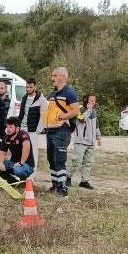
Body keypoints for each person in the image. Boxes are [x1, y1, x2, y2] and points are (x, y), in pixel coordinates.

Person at [42, 67, 80, 197]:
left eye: (54, 75)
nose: (52, 78)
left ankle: (62, 188)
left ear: (63, 77)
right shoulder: (53, 94)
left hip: (61, 131)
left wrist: (62, 117)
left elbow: (76, 111)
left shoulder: (70, 92)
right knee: (51, 159)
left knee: (59, 159)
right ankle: (55, 185)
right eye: (52, 75)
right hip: (50, 130)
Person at [66, 93, 102, 189]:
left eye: (94, 100)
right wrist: (89, 110)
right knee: (76, 161)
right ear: (86, 100)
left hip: (91, 142)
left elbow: (96, 126)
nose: (93, 102)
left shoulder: (93, 111)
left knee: (88, 162)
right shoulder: (80, 109)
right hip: (80, 141)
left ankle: (84, 181)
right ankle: (67, 178)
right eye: (91, 100)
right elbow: (81, 119)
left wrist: (98, 138)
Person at [17, 78, 46, 178]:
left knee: (33, 153)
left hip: (33, 131)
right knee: (21, 151)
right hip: (22, 128)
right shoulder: (24, 97)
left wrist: (38, 130)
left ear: (35, 87)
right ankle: (20, 174)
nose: (28, 89)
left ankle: (31, 176)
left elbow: (43, 117)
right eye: (27, 87)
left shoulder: (41, 99)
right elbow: (21, 113)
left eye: (30, 87)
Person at [0, 116, 34, 181]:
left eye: (10, 127)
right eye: (7, 127)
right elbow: (2, 153)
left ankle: (24, 180)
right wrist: (1, 163)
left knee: (18, 170)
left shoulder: (23, 135)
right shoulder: (6, 138)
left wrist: (21, 163)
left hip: (26, 164)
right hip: (13, 163)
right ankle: (11, 180)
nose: (8, 129)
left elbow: (26, 149)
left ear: (17, 128)